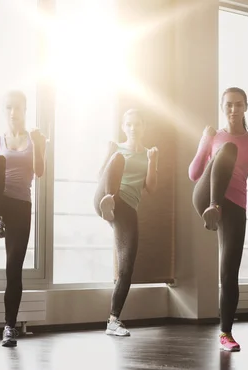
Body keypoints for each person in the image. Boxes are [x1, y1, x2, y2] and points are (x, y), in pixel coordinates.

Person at [188, 87, 248, 352]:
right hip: (207, 197)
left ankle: (226, 334)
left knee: (229, 272)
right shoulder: (216, 136)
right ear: (223, 107)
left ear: (246, 107)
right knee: (228, 149)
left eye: (238, 105)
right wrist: (204, 141)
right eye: (228, 105)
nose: (233, 110)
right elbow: (194, 173)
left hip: (235, 206)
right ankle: (213, 206)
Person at [0, 90, 47, 347]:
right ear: (4, 111)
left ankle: (9, 328)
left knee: (13, 270)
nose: (12, 112)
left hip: (21, 208)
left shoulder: (35, 139)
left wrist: (39, 144)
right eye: (8, 108)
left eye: (17, 108)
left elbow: (39, 171)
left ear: (25, 110)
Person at [95, 109, 159, 337]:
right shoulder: (118, 150)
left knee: (127, 266)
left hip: (127, 207)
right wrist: (109, 154)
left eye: (137, 124)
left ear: (143, 126)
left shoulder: (148, 154)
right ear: (124, 127)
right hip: (106, 196)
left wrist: (153, 161)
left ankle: (113, 321)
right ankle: (108, 203)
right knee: (118, 158)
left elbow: (151, 188)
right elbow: (101, 174)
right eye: (129, 124)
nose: (133, 128)